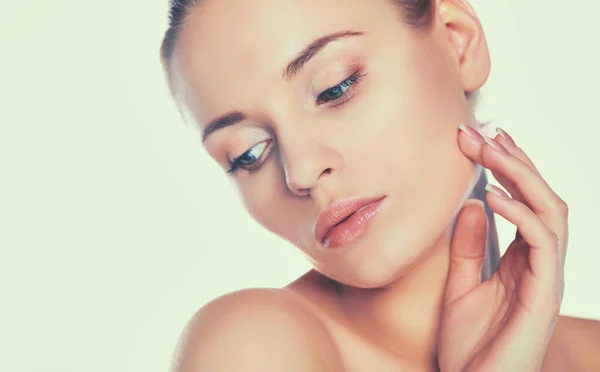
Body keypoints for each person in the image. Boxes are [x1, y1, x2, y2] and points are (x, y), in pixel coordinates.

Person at [159, 0, 600, 370]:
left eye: (336, 88)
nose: (302, 171)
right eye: (248, 153)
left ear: (456, 41)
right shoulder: (249, 348)